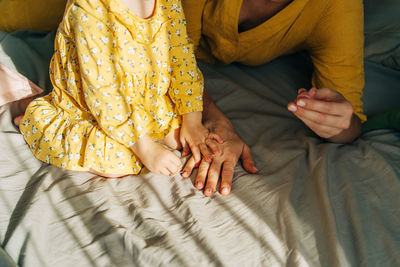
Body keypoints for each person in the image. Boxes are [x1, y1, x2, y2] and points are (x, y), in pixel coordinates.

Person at [180, 0, 365, 196]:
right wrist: (214, 118)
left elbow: (350, 123)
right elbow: (170, 58)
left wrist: (336, 122)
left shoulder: (336, 6)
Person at [18, 0, 221, 177]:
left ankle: (144, 129)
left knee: (180, 139)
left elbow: (181, 55)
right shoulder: (89, 8)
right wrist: (146, 148)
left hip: (146, 97)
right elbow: (103, 91)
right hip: (97, 104)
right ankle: (37, 120)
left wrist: (192, 119)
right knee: (120, 162)